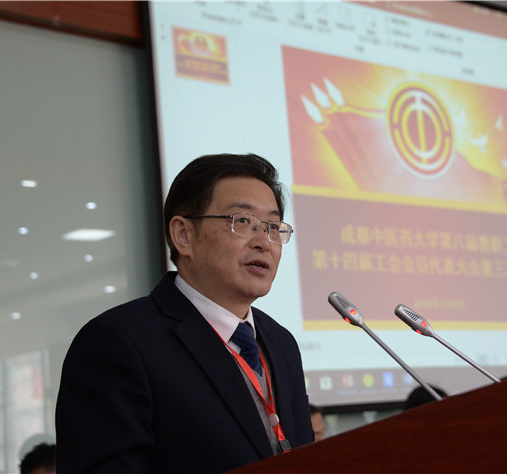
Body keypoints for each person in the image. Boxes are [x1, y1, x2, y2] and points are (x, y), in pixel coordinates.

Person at [56, 153, 314, 473]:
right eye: (243, 221)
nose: (264, 242)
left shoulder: (281, 342)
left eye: (273, 227)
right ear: (184, 235)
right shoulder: (117, 343)